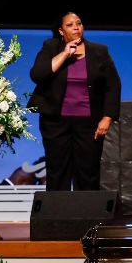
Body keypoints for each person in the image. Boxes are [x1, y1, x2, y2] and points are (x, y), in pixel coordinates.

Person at [28, 11, 121, 191]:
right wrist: (65, 54)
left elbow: (113, 85)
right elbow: (37, 74)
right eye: (70, 25)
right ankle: (57, 217)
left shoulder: (99, 51)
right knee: (57, 171)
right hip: (56, 122)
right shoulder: (51, 47)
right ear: (61, 31)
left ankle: (87, 217)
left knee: (88, 172)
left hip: (89, 123)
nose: (76, 27)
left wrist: (107, 117)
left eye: (78, 23)